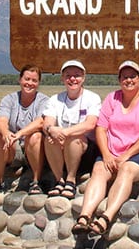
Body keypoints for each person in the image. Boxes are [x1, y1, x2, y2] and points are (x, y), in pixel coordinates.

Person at [73, 61, 139, 236]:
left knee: (127, 169)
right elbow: (101, 128)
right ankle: (84, 217)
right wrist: (106, 154)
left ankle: (106, 218)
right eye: (125, 77)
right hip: (113, 152)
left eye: (132, 76)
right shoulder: (112, 98)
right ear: (119, 79)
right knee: (99, 169)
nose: (128, 80)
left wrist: (127, 155)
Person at [0, 64, 49, 195]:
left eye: (34, 80)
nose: (30, 83)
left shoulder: (43, 100)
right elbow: (2, 121)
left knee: (36, 136)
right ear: (20, 80)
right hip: (12, 147)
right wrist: (6, 134)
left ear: (38, 83)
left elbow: (40, 122)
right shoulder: (9, 99)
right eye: (27, 79)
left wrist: (19, 134)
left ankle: (36, 181)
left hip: (32, 148)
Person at [42, 59, 102, 199]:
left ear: (83, 78)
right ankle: (59, 180)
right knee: (49, 139)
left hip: (85, 151)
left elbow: (90, 124)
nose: (73, 79)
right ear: (62, 78)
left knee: (75, 138)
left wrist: (64, 133)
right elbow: (47, 123)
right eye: (68, 75)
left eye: (77, 75)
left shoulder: (92, 98)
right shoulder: (55, 99)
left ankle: (71, 179)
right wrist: (52, 130)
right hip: (60, 148)